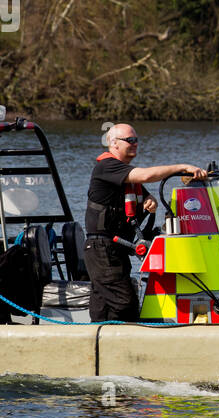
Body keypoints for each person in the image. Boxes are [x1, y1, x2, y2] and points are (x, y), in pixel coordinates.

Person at [84, 124, 207, 321]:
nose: (135, 144)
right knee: (125, 302)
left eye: (136, 140)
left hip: (117, 248)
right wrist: (183, 167)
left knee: (104, 303)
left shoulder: (126, 177)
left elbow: (137, 187)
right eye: (129, 140)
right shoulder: (107, 167)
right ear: (113, 143)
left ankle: (100, 338)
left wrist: (149, 199)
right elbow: (146, 175)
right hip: (102, 248)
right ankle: (126, 337)